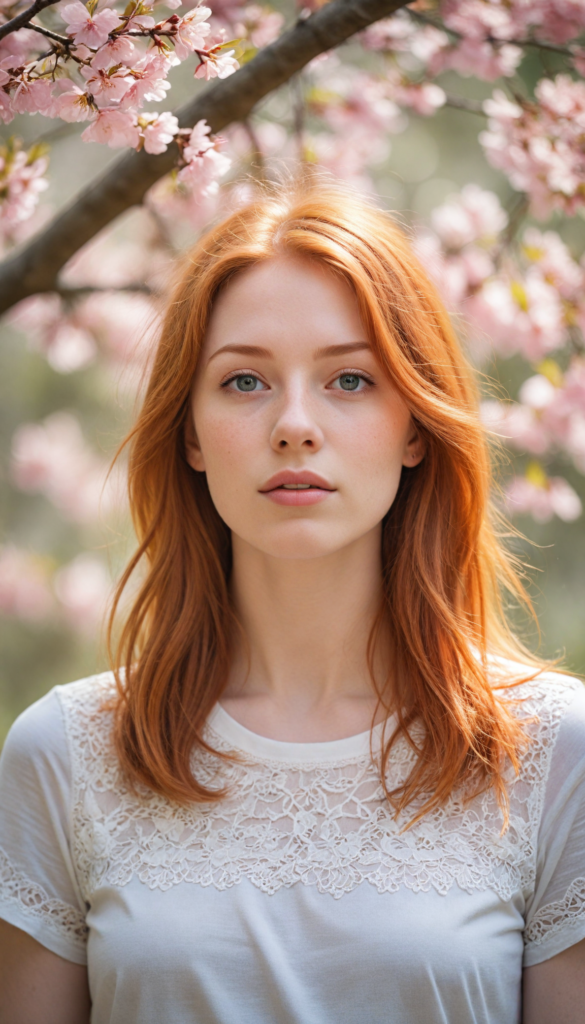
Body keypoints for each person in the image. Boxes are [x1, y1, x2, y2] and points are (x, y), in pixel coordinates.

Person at [0, 174, 584, 1024]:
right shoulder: (66, 755)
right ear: (190, 434)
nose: (295, 424)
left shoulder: (552, 754)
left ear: (415, 425)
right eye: (245, 382)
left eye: (349, 381)